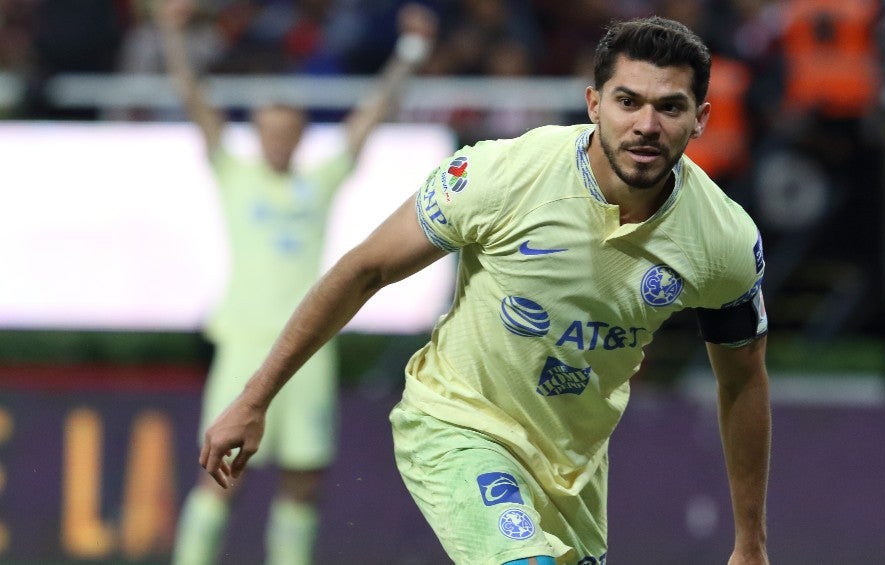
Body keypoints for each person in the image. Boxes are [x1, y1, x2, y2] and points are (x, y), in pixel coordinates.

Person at [201, 16, 770, 565]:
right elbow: (363, 270)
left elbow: (743, 378)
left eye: (670, 107)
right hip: (457, 426)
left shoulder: (722, 241)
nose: (647, 125)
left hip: (572, 471)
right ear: (594, 104)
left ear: (700, 118)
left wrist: (750, 544)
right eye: (628, 102)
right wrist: (255, 399)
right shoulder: (503, 176)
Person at [154, 1, 439, 564]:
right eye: (267, 131)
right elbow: (193, 98)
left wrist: (410, 53)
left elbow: (372, 115)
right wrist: (171, 33)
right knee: (220, 474)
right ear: (255, 133)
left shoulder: (319, 181)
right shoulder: (236, 175)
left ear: (301, 134)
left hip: (308, 345)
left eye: (287, 131)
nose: (276, 141)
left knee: (304, 476)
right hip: (244, 341)